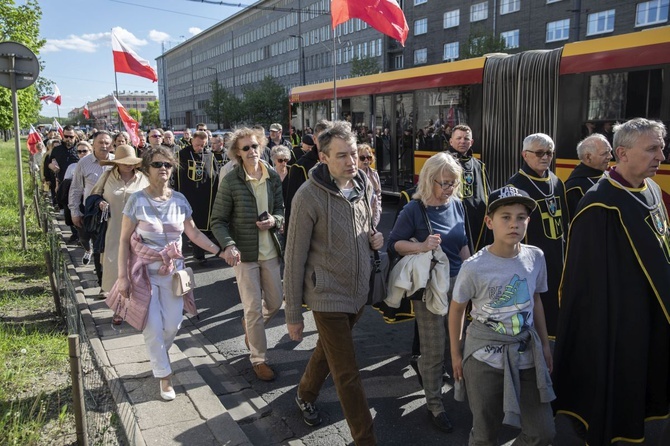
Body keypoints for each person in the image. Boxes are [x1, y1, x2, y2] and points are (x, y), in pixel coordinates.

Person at [552, 118, 670, 446]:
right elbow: (586, 286)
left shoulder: (653, 190)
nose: (661, 155)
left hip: (654, 311)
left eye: (661, 147)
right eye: (652, 148)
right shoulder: (599, 204)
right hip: (621, 322)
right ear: (623, 153)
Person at [284, 121, 383, 445]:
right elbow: (294, 258)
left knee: (328, 352)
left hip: (357, 291)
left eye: (353, 153)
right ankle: (365, 439)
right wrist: (293, 316)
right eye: (342, 156)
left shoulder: (363, 184)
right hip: (326, 295)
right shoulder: (307, 196)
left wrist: (375, 239)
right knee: (347, 372)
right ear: (323, 157)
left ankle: (305, 393)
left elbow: (366, 228)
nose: (351, 161)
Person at [113, 146, 226, 401]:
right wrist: (122, 277)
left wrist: (220, 251)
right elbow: (123, 241)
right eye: (157, 164)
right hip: (144, 274)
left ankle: (158, 357)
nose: (163, 168)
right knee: (152, 328)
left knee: (173, 325)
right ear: (146, 169)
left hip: (174, 274)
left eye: (167, 164)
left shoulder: (180, 200)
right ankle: (164, 376)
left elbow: (194, 233)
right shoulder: (136, 200)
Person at [449, 186, 556, 446]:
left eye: (521, 217)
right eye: (505, 217)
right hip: (484, 359)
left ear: (528, 222)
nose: (514, 224)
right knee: (485, 433)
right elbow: (457, 310)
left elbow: (537, 300)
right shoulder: (474, 267)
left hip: (526, 355)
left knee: (543, 433)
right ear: (489, 222)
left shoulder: (535, 257)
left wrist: (544, 345)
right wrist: (456, 353)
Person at [387, 151, 470, 433]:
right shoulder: (414, 209)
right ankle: (435, 405)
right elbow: (394, 244)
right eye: (444, 183)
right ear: (428, 179)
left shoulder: (457, 205)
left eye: (453, 183)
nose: (449, 189)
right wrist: (422, 245)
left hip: (458, 284)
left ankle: (430, 373)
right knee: (435, 348)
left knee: (457, 342)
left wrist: (473, 271)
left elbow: (462, 244)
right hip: (430, 287)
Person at [210, 127, 285, 382]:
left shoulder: (272, 176)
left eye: (255, 146)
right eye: (246, 148)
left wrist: (274, 221)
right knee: (252, 308)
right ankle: (259, 359)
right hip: (244, 254)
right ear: (237, 154)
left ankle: (250, 328)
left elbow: (281, 211)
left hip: (270, 251)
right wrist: (229, 245)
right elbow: (217, 220)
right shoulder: (231, 180)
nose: (252, 152)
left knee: (275, 303)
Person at [506, 133, 568, 338]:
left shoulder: (557, 182)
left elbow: (565, 220)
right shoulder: (515, 186)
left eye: (549, 153)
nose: (545, 157)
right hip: (531, 258)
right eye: (539, 153)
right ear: (525, 155)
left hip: (556, 255)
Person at [90, 145, 149, 299]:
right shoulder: (107, 176)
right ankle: (118, 305)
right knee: (114, 266)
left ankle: (136, 305)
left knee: (136, 265)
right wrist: (100, 202)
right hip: (113, 228)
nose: (128, 165)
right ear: (116, 162)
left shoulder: (144, 178)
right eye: (124, 162)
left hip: (138, 230)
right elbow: (93, 196)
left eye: (131, 162)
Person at [69, 131, 115, 286]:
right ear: (93, 144)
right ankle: (102, 283)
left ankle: (114, 281)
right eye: (100, 142)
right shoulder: (84, 163)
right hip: (94, 213)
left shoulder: (117, 162)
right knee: (98, 246)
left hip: (115, 211)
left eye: (107, 143)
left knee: (113, 247)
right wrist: (75, 212)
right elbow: (75, 189)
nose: (104, 146)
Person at [174, 130, 217, 265]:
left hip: (205, 197)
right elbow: (175, 176)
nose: (200, 148)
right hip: (189, 195)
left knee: (205, 225)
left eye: (203, 145)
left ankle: (204, 251)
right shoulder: (181, 155)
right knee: (194, 225)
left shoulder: (209, 155)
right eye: (198, 144)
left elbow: (215, 174)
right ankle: (198, 254)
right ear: (192, 140)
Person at [446, 124, 491, 252]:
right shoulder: (443, 162)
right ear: (451, 141)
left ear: (471, 142)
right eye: (459, 138)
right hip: (452, 218)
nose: (462, 141)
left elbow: (487, 194)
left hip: (476, 221)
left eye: (466, 139)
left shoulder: (479, 166)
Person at [564, 133, 612, 219]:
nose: (610, 156)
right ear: (588, 157)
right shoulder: (575, 187)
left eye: (610, 152)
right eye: (604, 153)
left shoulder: (607, 175)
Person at [59, 141, 92, 249]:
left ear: (91, 151)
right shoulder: (73, 167)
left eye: (84, 151)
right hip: (78, 200)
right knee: (82, 230)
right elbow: (66, 185)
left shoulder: (97, 166)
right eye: (79, 151)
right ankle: (85, 245)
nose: (82, 153)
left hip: (91, 201)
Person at [357, 143, 382, 228]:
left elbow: (378, 195)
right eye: (362, 158)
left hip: (372, 219)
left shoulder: (374, 174)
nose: (366, 160)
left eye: (369, 157)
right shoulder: (351, 175)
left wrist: (378, 211)